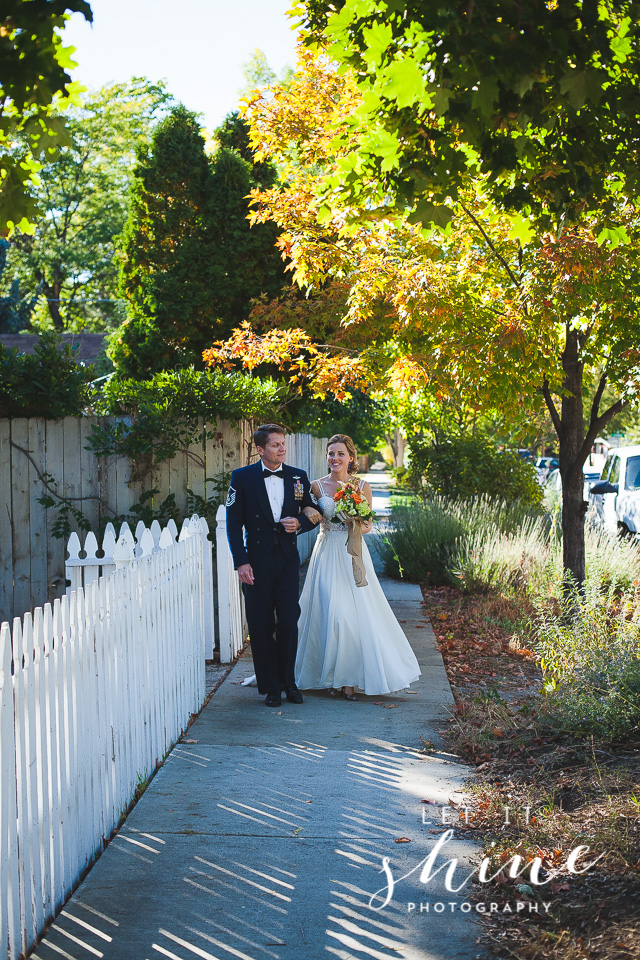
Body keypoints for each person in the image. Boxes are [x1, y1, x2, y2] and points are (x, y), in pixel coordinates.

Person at [295, 434, 421, 700]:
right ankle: (329, 676)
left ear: (351, 457)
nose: (335, 458)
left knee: (353, 616)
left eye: (340, 453)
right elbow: (307, 512)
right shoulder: (316, 486)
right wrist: (309, 513)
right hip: (327, 551)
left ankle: (349, 680)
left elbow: (368, 524)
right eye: (331, 453)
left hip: (353, 554)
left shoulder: (362, 486)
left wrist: (355, 521)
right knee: (330, 612)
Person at [226, 424, 319, 707]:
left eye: (283, 443)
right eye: (276, 444)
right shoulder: (241, 478)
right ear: (260, 449)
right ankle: (271, 687)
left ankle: (289, 682)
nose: (282, 448)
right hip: (255, 562)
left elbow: (313, 510)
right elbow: (233, 524)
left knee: (289, 622)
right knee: (261, 624)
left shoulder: (297, 476)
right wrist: (241, 562)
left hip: (287, 561)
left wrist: (300, 524)